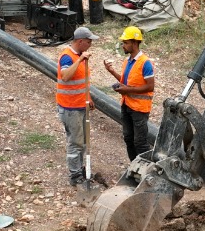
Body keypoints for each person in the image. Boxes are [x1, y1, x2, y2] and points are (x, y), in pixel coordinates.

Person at [104, 26, 155, 162]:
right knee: (128, 138)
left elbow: (150, 86)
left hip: (139, 108)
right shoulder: (127, 61)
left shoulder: (145, 63)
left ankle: (146, 170)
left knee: (140, 142)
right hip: (126, 105)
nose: (123, 46)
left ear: (135, 43)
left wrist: (126, 90)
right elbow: (125, 81)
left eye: (125, 43)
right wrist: (112, 71)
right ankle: (134, 166)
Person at [56, 27, 97, 186]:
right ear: (80, 41)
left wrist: (88, 96)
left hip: (81, 105)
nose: (90, 45)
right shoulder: (67, 57)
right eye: (88, 42)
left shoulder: (79, 55)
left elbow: (81, 81)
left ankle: (81, 169)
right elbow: (65, 77)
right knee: (75, 142)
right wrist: (79, 60)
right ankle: (75, 175)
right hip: (70, 108)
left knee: (84, 141)